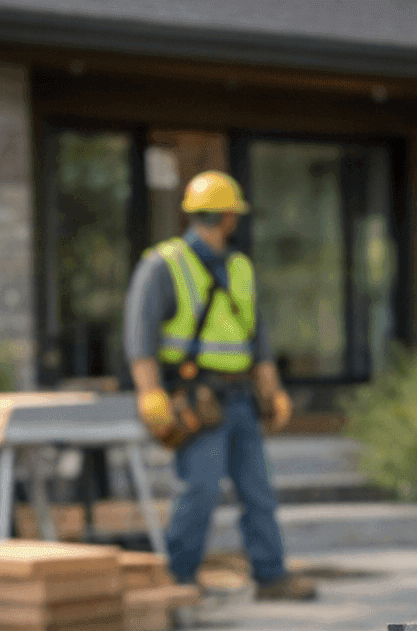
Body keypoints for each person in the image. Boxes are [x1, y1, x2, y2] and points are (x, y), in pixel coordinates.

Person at [123, 170, 317, 600]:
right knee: (200, 489)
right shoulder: (163, 265)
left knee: (258, 490)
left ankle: (270, 575)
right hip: (198, 399)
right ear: (229, 217)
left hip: (241, 397)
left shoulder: (240, 268)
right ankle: (181, 577)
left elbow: (257, 338)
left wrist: (272, 390)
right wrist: (150, 392)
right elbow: (141, 337)